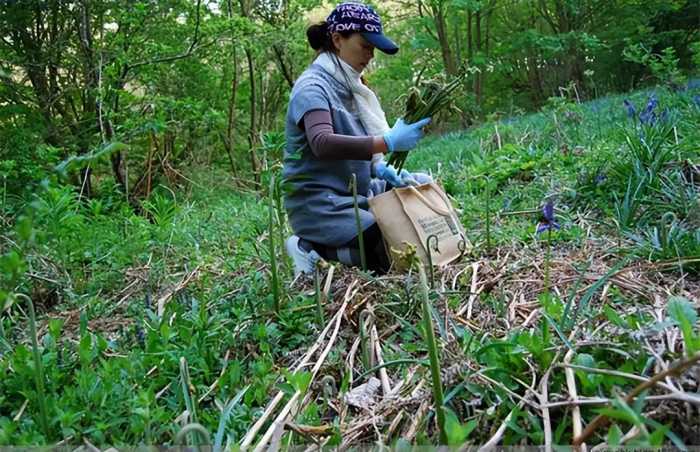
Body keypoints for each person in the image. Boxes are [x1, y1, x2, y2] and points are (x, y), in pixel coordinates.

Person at [283, 2, 432, 276]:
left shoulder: (352, 87)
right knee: (387, 245)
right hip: (321, 202)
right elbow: (322, 143)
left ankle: (342, 241)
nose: (370, 55)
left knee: (420, 187)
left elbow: (357, 149)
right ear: (338, 40)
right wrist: (387, 142)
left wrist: (379, 168)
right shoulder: (313, 87)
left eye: (373, 48)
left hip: (357, 192)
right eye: (365, 45)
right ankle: (309, 247)